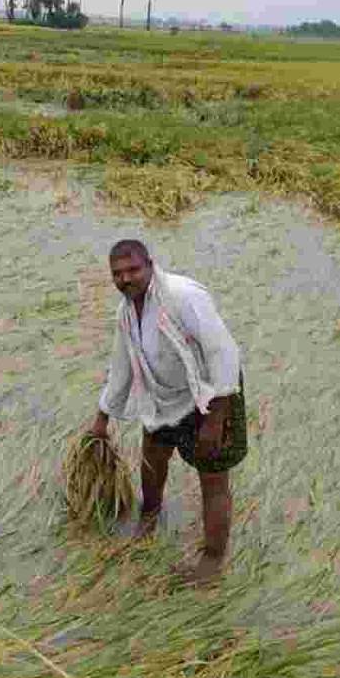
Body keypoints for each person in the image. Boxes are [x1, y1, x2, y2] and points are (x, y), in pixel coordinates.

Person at [85, 239, 246, 584]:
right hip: (162, 394)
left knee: (213, 476)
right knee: (153, 456)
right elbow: (123, 365)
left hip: (210, 393)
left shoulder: (183, 296)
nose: (126, 279)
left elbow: (224, 352)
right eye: (118, 274)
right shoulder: (126, 311)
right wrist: (102, 417)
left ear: (150, 265)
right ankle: (150, 516)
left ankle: (212, 560)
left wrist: (216, 418)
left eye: (133, 270)